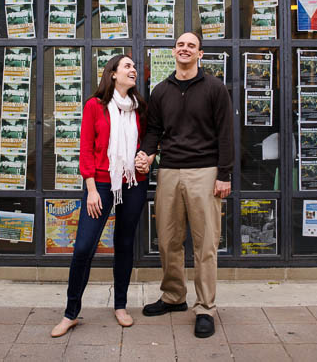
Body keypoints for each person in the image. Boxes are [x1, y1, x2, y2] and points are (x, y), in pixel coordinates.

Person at [137, 32, 234, 339]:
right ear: (174, 51)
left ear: (199, 54)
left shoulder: (215, 88)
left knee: (205, 244)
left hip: (205, 172)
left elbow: (226, 133)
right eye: (180, 44)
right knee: (167, 240)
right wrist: (147, 154)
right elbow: (153, 130)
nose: (185, 49)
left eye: (191, 45)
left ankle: (205, 307)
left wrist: (225, 174)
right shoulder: (161, 91)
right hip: (168, 172)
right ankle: (173, 296)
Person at [50, 54, 148, 337]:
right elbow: (86, 149)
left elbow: (148, 141)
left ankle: (120, 305)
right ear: (113, 74)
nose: (133, 70)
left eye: (133, 66)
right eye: (127, 66)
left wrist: (146, 157)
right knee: (83, 248)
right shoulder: (95, 106)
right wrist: (91, 189)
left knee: (125, 244)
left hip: (133, 182)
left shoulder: (139, 107)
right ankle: (70, 313)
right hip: (102, 184)